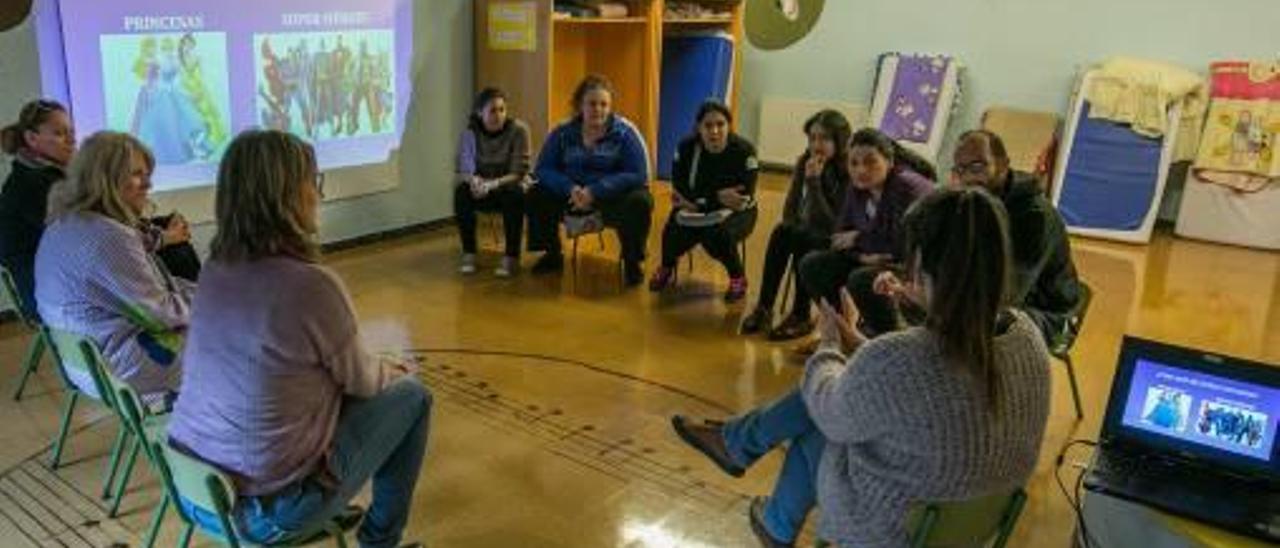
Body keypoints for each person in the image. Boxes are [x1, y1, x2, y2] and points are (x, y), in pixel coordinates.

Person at [672, 187, 1051, 547]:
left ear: (921, 267)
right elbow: (929, 382)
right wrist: (860, 343)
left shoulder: (900, 357)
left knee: (822, 423)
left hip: (895, 529)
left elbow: (836, 406)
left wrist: (832, 344)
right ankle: (766, 504)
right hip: (981, 518)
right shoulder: (1028, 336)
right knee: (843, 404)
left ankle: (754, 479)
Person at [166, 130, 431, 548]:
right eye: (314, 181)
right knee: (413, 397)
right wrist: (389, 370)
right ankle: (381, 542)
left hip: (195, 489)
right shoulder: (309, 286)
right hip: (266, 512)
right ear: (288, 195)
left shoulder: (216, 268)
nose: (318, 194)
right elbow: (361, 381)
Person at [34, 131, 192, 404]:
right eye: (137, 175)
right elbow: (159, 314)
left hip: (86, 364)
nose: (148, 184)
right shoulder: (108, 235)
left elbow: (152, 294)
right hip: (124, 369)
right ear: (105, 179)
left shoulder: (66, 221)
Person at [939, 129, 1081, 343]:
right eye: (960, 170)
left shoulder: (1035, 216)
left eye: (978, 167)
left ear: (1004, 164)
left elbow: (1010, 295)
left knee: (973, 325)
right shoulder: (980, 199)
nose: (968, 178)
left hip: (1048, 312)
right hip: (1000, 296)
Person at [795, 128, 934, 340]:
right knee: (812, 264)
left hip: (917, 269)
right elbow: (840, 237)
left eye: (870, 162)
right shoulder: (857, 187)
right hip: (877, 258)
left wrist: (858, 238)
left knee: (862, 279)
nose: (860, 170)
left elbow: (902, 246)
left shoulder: (906, 186)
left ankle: (889, 342)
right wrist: (861, 255)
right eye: (854, 163)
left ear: (889, 161)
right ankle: (842, 333)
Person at [528, 74, 653, 286]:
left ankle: (632, 261)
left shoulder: (625, 132)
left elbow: (638, 173)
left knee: (641, 201)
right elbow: (543, 169)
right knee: (536, 192)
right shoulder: (562, 132)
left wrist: (595, 190)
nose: (598, 109)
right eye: (592, 103)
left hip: (609, 198)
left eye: (604, 104)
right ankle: (552, 254)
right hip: (571, 196)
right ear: (580, 105)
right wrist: (570, 188)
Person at [739, 110, 851, 339]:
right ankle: (764, 307)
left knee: (805, 236)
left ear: (839, 141)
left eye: (825, 138)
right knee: (783, 231)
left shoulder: (848, 171)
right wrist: (793, 223)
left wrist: (814, 183)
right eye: (812, 138)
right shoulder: (804, 161)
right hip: (807, 230)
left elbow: (833, 225)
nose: (817, 144)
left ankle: (801, 314)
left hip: (835, 239)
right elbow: (790, 209)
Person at [649, 100, 759, 301]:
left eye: (720, 124)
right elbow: (680, 185)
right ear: (699, 127)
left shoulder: (744, 151)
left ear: (729, 126)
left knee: (717, 233)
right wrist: (715, 198)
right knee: (673, 227)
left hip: (740, 211)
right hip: (695, 206)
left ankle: (738, 277)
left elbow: (744, 196)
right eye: (708, 125)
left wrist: (702, 200)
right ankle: (666, 266)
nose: (714, 131)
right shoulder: (686, 147)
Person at [0, 99, 75, 319]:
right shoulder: (32, 183)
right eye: (60, 133)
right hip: (49, 294)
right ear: (32, 138)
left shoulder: (48, 175)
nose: (72, 140)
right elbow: (80, 239)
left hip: (60, 280)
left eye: (72, 132)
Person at [454, 87, 531, 277]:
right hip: (483, 188)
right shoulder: (469, 133)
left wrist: (493, 184)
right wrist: (474, 181)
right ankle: (469, 252)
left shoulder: (519, 130)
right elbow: (464, 168)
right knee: (461, 192)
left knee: (514, 193)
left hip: (509, 185)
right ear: (480, 113)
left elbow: (518, 172)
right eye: (493, 111)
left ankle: (511, 256)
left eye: (502, 109)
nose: (498, 115)